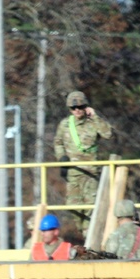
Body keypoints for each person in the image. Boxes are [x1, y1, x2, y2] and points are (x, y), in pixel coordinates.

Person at [53, 90, 113, 236]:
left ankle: (88, 235)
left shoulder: (93, 123)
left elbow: (108, 134)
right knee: (73, 206)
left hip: (91, 172)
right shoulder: (65, 124)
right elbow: (58, 142)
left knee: (91, 206)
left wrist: (95, 117)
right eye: (74, 108)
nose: (77, 110)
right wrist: (62, 158)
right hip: (73, 172)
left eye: (80, 107)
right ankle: (82, 230)